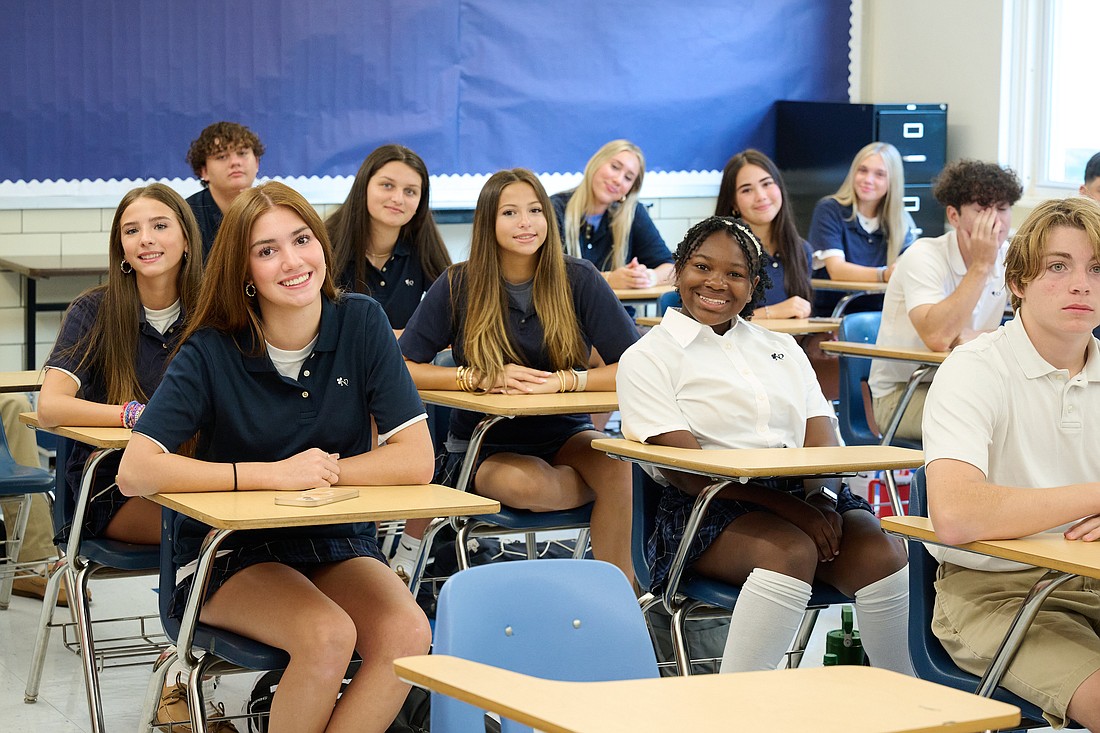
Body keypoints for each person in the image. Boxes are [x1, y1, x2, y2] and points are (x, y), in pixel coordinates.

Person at [116, 181, 433, 733]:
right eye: (267, 251)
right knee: (327, 634)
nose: (292, 261)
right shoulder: (211, 347)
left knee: (408, 635)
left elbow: (415, 459)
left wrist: (319, 474)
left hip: (332, 540)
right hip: (227, 552)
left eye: (302, 239)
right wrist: (270, 477)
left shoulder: (361, 321)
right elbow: (135, 470)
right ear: (245, 271)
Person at [617, 216, 913, 676]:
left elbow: (822, 438)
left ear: (754, 285)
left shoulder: (782, 348)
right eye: (702, 267)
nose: (717, 283)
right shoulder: (647, 357)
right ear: (679, 270)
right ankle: (739, 710)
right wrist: (796, 511)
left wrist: (822, 500)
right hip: (709, 505)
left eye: (735, 274)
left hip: (808, 494)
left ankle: (908, 704)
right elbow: (686, 471)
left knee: (883, 552)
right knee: (789, 549)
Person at [398, 168, 639, 581]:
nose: (525, 222)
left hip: (566, 434)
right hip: (486, 443)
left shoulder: (579, 278)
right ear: (488, 222)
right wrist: (474, 377)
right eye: (510, 212)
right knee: (529, 484)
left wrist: (567, 380)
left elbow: (637, 366)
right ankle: (609, 500)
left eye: (534, 210)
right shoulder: (459, 282)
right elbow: (403, 367)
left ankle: (621, 605)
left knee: (621, 467)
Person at [922, 197, 1100, 730]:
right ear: (1018, 283)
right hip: (1000, 594)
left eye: (1097, 268)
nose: (1081, 284)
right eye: (1057, 267)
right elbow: (956, 513)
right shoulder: (974, 370)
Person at [38, 183, 202, 548]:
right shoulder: (94, 310)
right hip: (113, 486)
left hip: (196, 472)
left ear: (188, 240)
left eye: (160, 226)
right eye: (132, 231)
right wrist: (132, 414)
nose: (146, 239)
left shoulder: (213, 312)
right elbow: (49, 407)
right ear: (122, 250)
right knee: (212, 529)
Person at [869, 159, 1023, 440]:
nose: (995, 221)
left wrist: (978, 335)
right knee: (1005, 422)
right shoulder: (923, 255)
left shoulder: (1010, 256)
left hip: (969, 384)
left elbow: (1035, 329)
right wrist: (981, 266)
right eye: (981, 210)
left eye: (1002, 209)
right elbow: (939, 337)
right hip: (904, 394)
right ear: (954, 216)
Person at [326, 144, 452, 330]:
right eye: (387, 185)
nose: (398, 199)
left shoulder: (423, 244)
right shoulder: (326, 242)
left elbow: (455, 313)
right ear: (364, 186)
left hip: (404, 358)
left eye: (410, 191)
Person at [808, 142, 916, 314]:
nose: (868, 180)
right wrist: (884, 275)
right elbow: (837, 270)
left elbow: (906, 271)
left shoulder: (901, 220)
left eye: (879, 174)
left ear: (892, 181)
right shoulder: (829, 210)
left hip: (882, 315)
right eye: (862, 170)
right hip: (832, 315)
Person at [551, 140, 674, 289]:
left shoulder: (633, 213)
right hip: (569, 312)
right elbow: (546, 272)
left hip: (618, 312)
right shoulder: (554, 209)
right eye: (615, 167)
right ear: (595, 163)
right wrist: (608, 279)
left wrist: (645, 278)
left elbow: (671, 269)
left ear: (630, 189)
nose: (618, 180)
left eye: (628, 178)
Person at [715, 149, 813, 319]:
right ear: (733, 203)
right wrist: (773, 312)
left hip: (787, 345)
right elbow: (715, 320)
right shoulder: (720, 251)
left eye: (767, 184)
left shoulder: (801, 250)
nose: (761, 196)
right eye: (747, 190)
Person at [185, 121, 265, 261]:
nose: (235, 162)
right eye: (222, 156)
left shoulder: (272, 208)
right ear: (204, 171)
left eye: (242, 153)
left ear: (257, 163)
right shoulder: (186, 217)